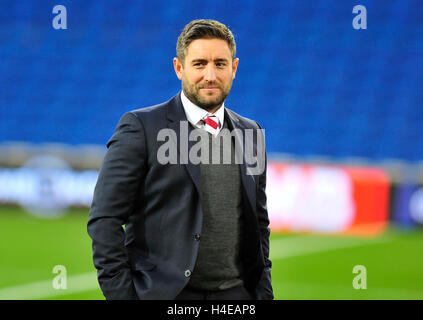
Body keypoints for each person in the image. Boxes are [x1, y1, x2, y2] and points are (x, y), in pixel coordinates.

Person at [87, 19, 273, 300]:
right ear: (179, 68)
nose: (210, 75)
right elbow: (105, 219)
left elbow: (259, 224)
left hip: (236, 296)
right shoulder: (141, 127)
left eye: (220, 64)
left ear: (234, 68)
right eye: (199, 64)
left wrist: (262, 294)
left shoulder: (251, 132)